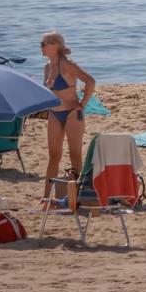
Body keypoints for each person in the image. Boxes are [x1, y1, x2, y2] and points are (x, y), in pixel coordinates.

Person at [40, 32, 95, 202]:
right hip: (55, 113)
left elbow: (90, 82)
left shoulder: (67, 65)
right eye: (41, 43)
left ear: (56, 45)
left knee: (75, 155)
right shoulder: (47, 67)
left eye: (44, 43)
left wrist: (82, 104)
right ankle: (46, 197)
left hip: (72, 114)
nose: (41, 46)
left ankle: (77, 194)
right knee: (54, 155)